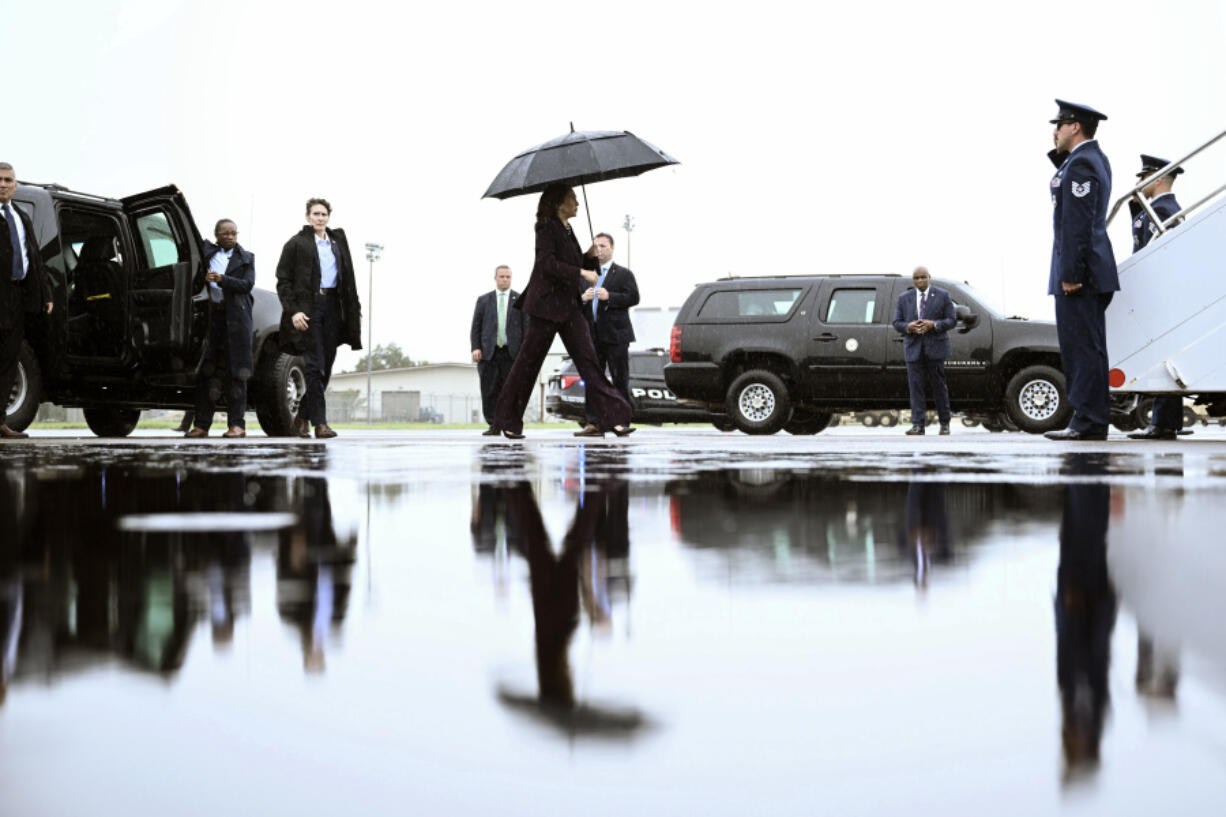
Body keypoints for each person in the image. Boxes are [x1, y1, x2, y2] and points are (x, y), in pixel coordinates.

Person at [491, 185, 633, 439]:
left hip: (568, 307)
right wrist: (581, 272)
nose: (577, 203)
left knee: (589, 362)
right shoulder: (546, 226)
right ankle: (508, 421)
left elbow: (569, 260)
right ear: (559, 203)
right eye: (572, 199)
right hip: (546, 306)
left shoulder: (567, 228)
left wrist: (587, 257)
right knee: (528, 364)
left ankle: (615, 417)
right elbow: (547, 264)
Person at [1044, 100, 1120, 442]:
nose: (1054, 132)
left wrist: (1071, 273)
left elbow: (1077, 224)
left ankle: (1088, 421)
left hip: (1081, 275)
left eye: (1059, 125)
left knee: (1081, 349)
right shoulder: (1092, 159)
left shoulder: (1083, 163)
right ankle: (1090, 418)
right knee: (1088, 347)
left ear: (1075, 127)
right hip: (1090, 271)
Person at [275, 198, 363, 439]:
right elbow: (283, 281)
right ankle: (320, 424)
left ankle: (302, 417)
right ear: (307, 217)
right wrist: (293, 311)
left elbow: (349, 279)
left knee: (327, 366)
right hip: (308, 308)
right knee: (314, 366)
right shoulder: (296, 244)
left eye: (324, 214)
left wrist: (355, 310)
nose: (320, 218)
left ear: (328, 217)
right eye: (315, 214)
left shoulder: (337, 243)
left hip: (334, 307)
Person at [1127, 155, 1186, 440]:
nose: (1138, 183)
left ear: (1158, 178)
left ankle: (1163, 423)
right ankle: (1164, 421)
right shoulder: (1162, 208)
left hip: (1158, 294)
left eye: (1143, 177)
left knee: (1162, 358)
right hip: (1162, 294)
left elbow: (1151, 254)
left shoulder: (1162, 210)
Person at [186, 219, 255, 439]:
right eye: (225, 233)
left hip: (236, 320)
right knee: (207, 372)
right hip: (210, 319)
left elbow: (247, 285)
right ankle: (202, 425)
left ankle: (237, 425)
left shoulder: (246, 258)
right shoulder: (206, 253)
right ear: (216, 235)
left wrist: (222, 279)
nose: (230, 237)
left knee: (237, 374)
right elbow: (190, 235)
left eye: (233, 233)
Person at [0, 163, 53, 440]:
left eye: (8, 180)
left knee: (9, 360)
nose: (4, 184)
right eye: (0, 179)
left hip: (16, 297)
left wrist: (45, 294)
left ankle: (0, 423)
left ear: (15, 186)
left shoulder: (21, 217)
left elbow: (34, 258)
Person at [577, 232, 639, 436]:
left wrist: (610, 296)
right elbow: (574, 304)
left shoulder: (623, 273)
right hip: (592, 335)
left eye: (603, 246)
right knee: (592, 379)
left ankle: (621, 421)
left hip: (616, 335)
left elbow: (633, 297)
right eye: (596, 246)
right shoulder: (587, 275)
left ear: (612, 248)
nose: (599, 250)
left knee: (619, 378)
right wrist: (583, 299)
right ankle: (593, 422)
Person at [891, 266, 955, 435]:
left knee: (939, 387)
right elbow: (896, 322)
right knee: (915, 387)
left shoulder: (943, 295)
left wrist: (934, 325)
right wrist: (908, 327)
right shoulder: (904, 298)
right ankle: (918, 425)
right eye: (916, 278)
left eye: (923, 277)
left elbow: (952, 320)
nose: (920, 281)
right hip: (914, 349)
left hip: (936, 348)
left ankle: (944, 423)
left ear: (929, 277)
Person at [470, 265, 527, 435]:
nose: (505, 280)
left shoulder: (520, 299)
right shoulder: (483, 300)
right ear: (495, 278)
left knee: (512, 391)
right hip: (489, 353)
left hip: (512, 353)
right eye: (502, 276)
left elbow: (526, 327)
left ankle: (511, 425)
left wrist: (524, 352)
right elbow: (476, 327)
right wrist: (476, 347)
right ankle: (494, 425)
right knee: (489, 390)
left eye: (508, 277)